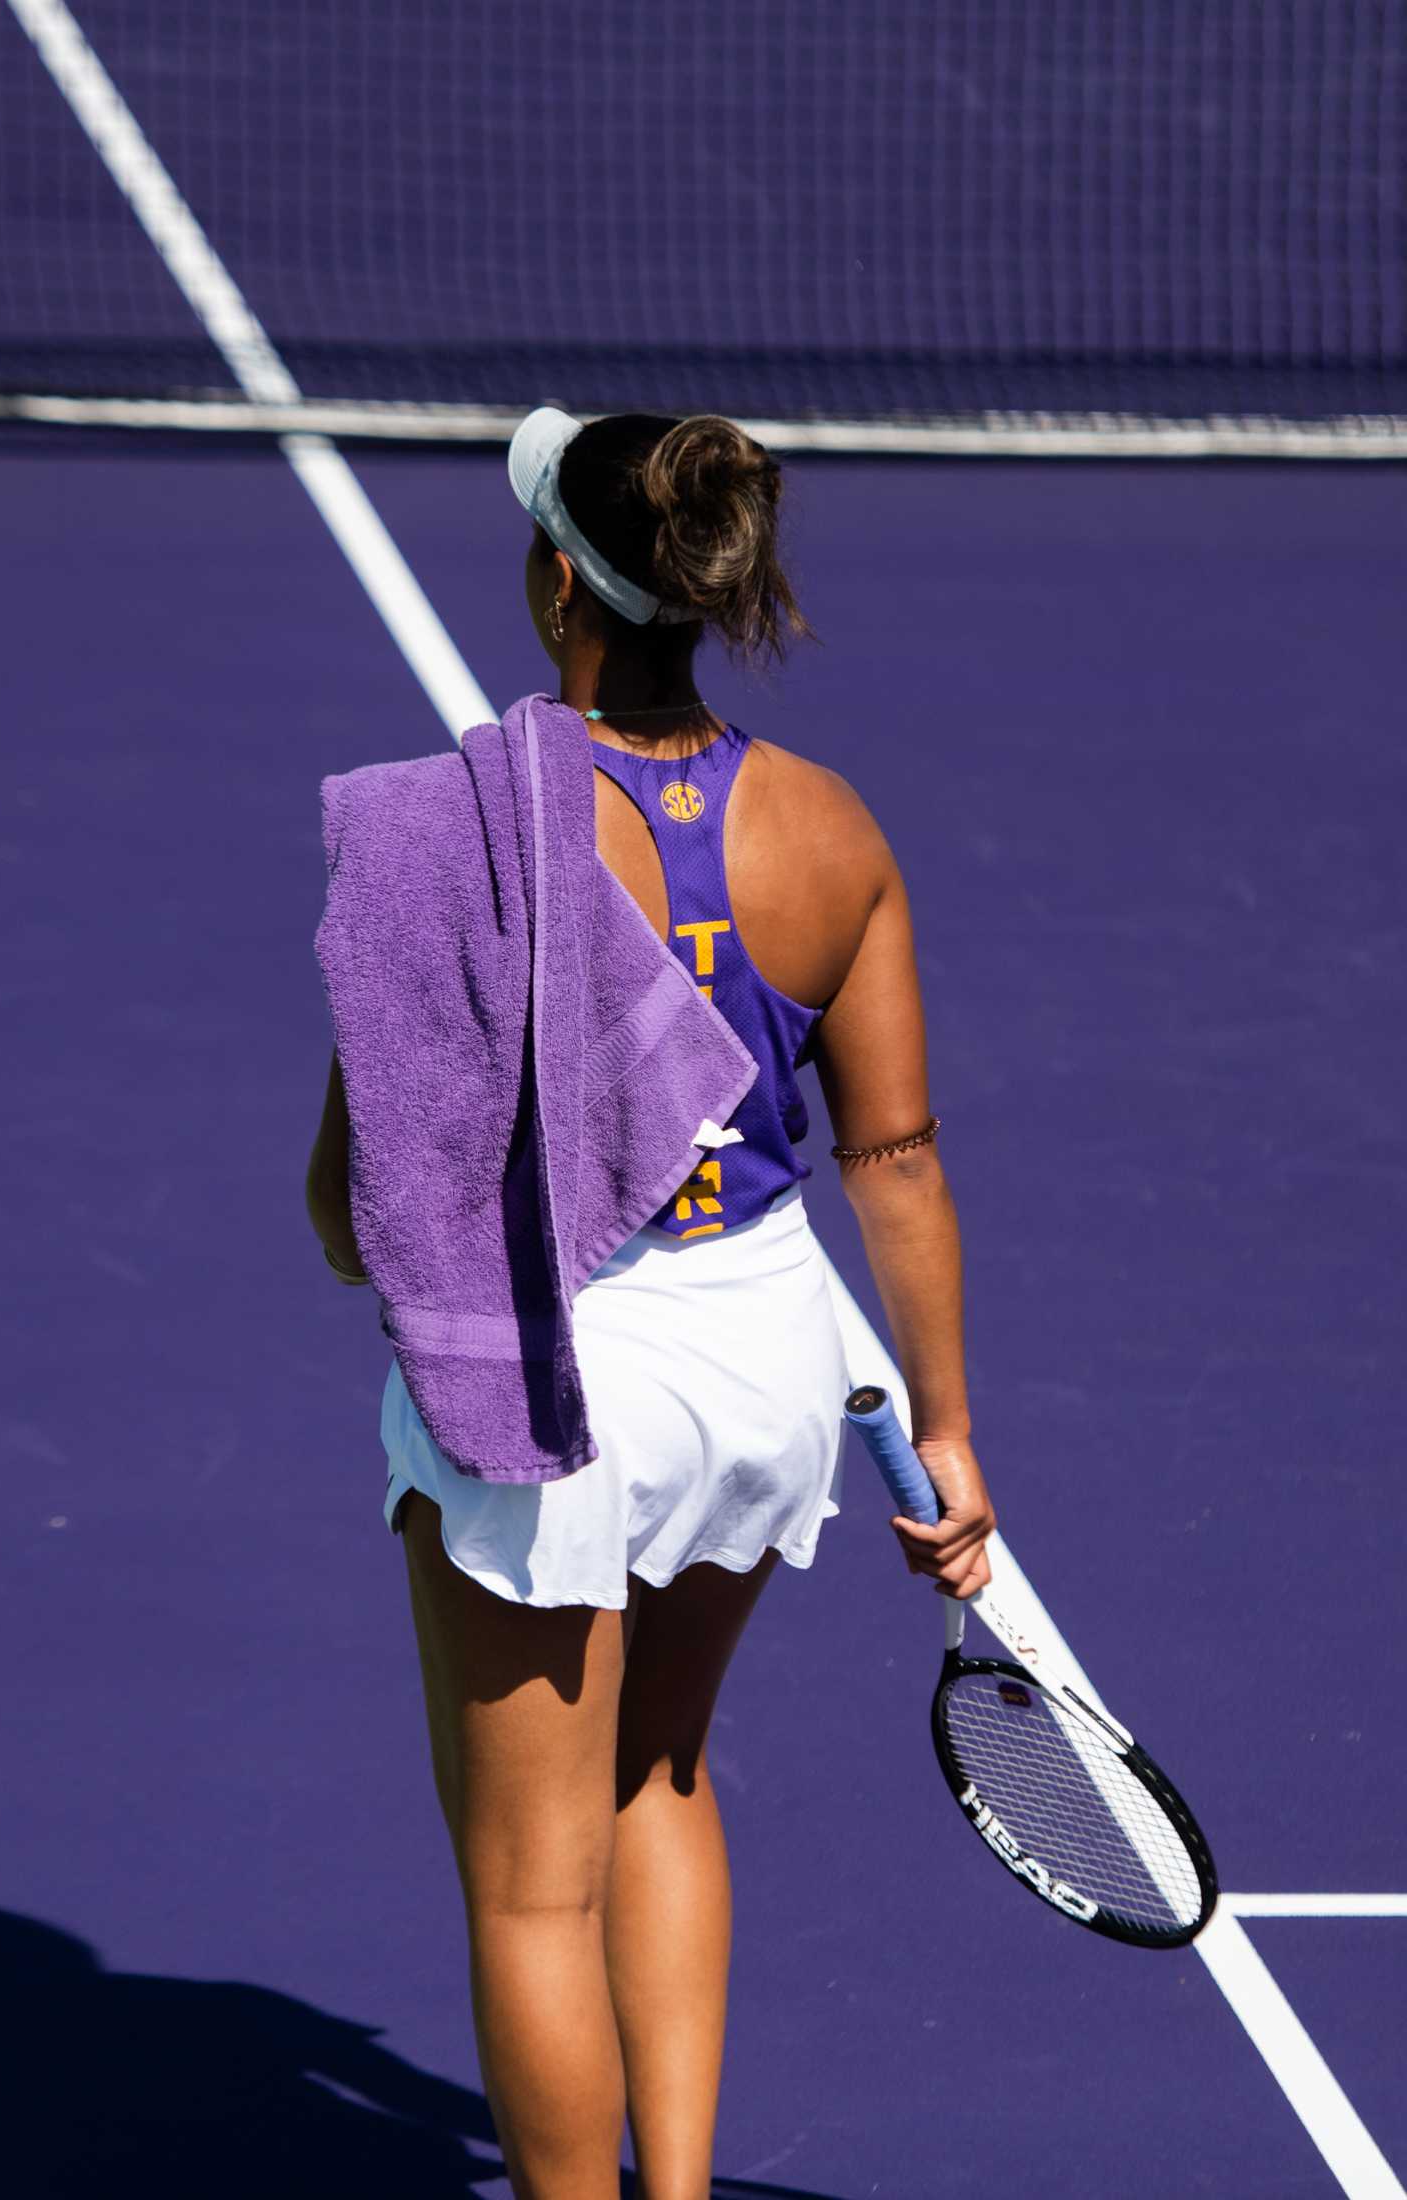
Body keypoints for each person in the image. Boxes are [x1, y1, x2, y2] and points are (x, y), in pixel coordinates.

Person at [306, 408, 996, 2200]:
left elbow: (361, 1202)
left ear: (559, 582)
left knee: (532, 1880)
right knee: (663, 1780)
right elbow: (896, 1157)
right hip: (769, 1357)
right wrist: (945, 1429)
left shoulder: (452, 838)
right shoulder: (829, 829)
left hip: (567, 1374)